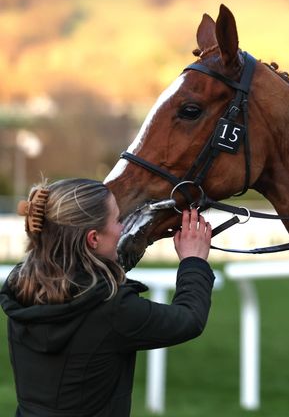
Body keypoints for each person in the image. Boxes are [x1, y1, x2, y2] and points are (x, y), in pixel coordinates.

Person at [0, 178, 214, 416]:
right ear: (93, 239)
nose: (122, 228)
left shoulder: (22, 286)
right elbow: (189, 318)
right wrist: (193, 261)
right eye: (118, 220)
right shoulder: (112, 309)